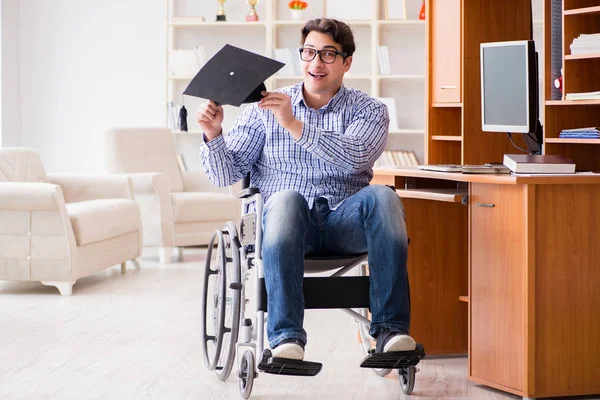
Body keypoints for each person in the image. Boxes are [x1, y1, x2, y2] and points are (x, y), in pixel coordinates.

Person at [196, 18, 415, 361]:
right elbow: (226, 174)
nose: (316, 63)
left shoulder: (370, 111)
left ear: (347, 62)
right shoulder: (263, 110)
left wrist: (295, 125)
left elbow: (355, 158)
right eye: (309, 52)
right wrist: (214, 135)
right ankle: (286, 339)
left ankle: (391, 333)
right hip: (285, 226)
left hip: (345, 224)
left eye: (328, 54)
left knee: (383, 196)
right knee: (286, 199)